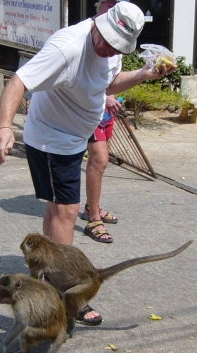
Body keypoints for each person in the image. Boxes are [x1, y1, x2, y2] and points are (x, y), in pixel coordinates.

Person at [0, 2, 176, 326]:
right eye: (105, 41)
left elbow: (109, 81)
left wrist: (145, 74)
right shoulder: (67, 47)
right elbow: (18, 81)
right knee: (65, 212)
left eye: (116, 46)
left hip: (75, 136)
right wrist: (4, 126)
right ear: (100, 21)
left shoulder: (113, 46)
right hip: (52, 138)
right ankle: (65, 297)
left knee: (55, 210)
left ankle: (48, 282)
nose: (108, 49)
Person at [80, 0, 122, 244]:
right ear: (103, 4)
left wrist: (112, 95)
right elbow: (85, 75)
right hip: (89, 109)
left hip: (105, 110)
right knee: (99, 159)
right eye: (113, 4)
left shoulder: (119, 30)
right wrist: (104, 96)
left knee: (101, 162)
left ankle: (90, 206)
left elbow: (112, 74)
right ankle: (93, 218)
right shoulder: (88, 33)